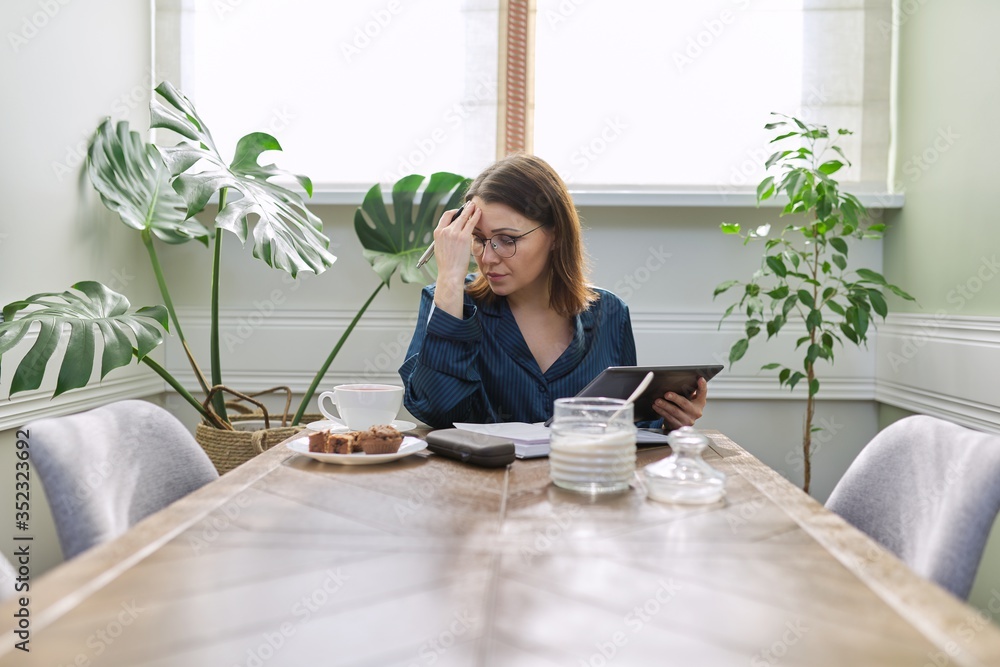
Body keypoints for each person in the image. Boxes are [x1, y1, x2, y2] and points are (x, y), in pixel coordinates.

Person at [398, 154, 707, 430]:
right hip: (485, 490)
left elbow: (621, 421)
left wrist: (669, 421)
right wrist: (450, 278)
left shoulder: (609, 313)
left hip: (582, 487)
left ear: (556, 235)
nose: (488, 257)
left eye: (507, 239)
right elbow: (433, 410)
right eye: (478, 239)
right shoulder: (448, 302)